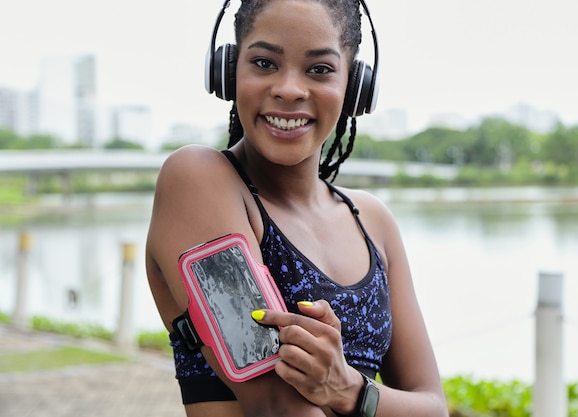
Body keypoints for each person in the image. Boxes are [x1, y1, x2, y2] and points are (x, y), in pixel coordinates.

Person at [145, 0, 448, 416]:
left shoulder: (372, 220)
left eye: (320, 69)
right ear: (228, 72)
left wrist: (350, 390)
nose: (289, 88)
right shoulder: (197, 181)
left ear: (355, 87)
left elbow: (433, 407)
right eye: (265, 62)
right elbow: (277, 407)